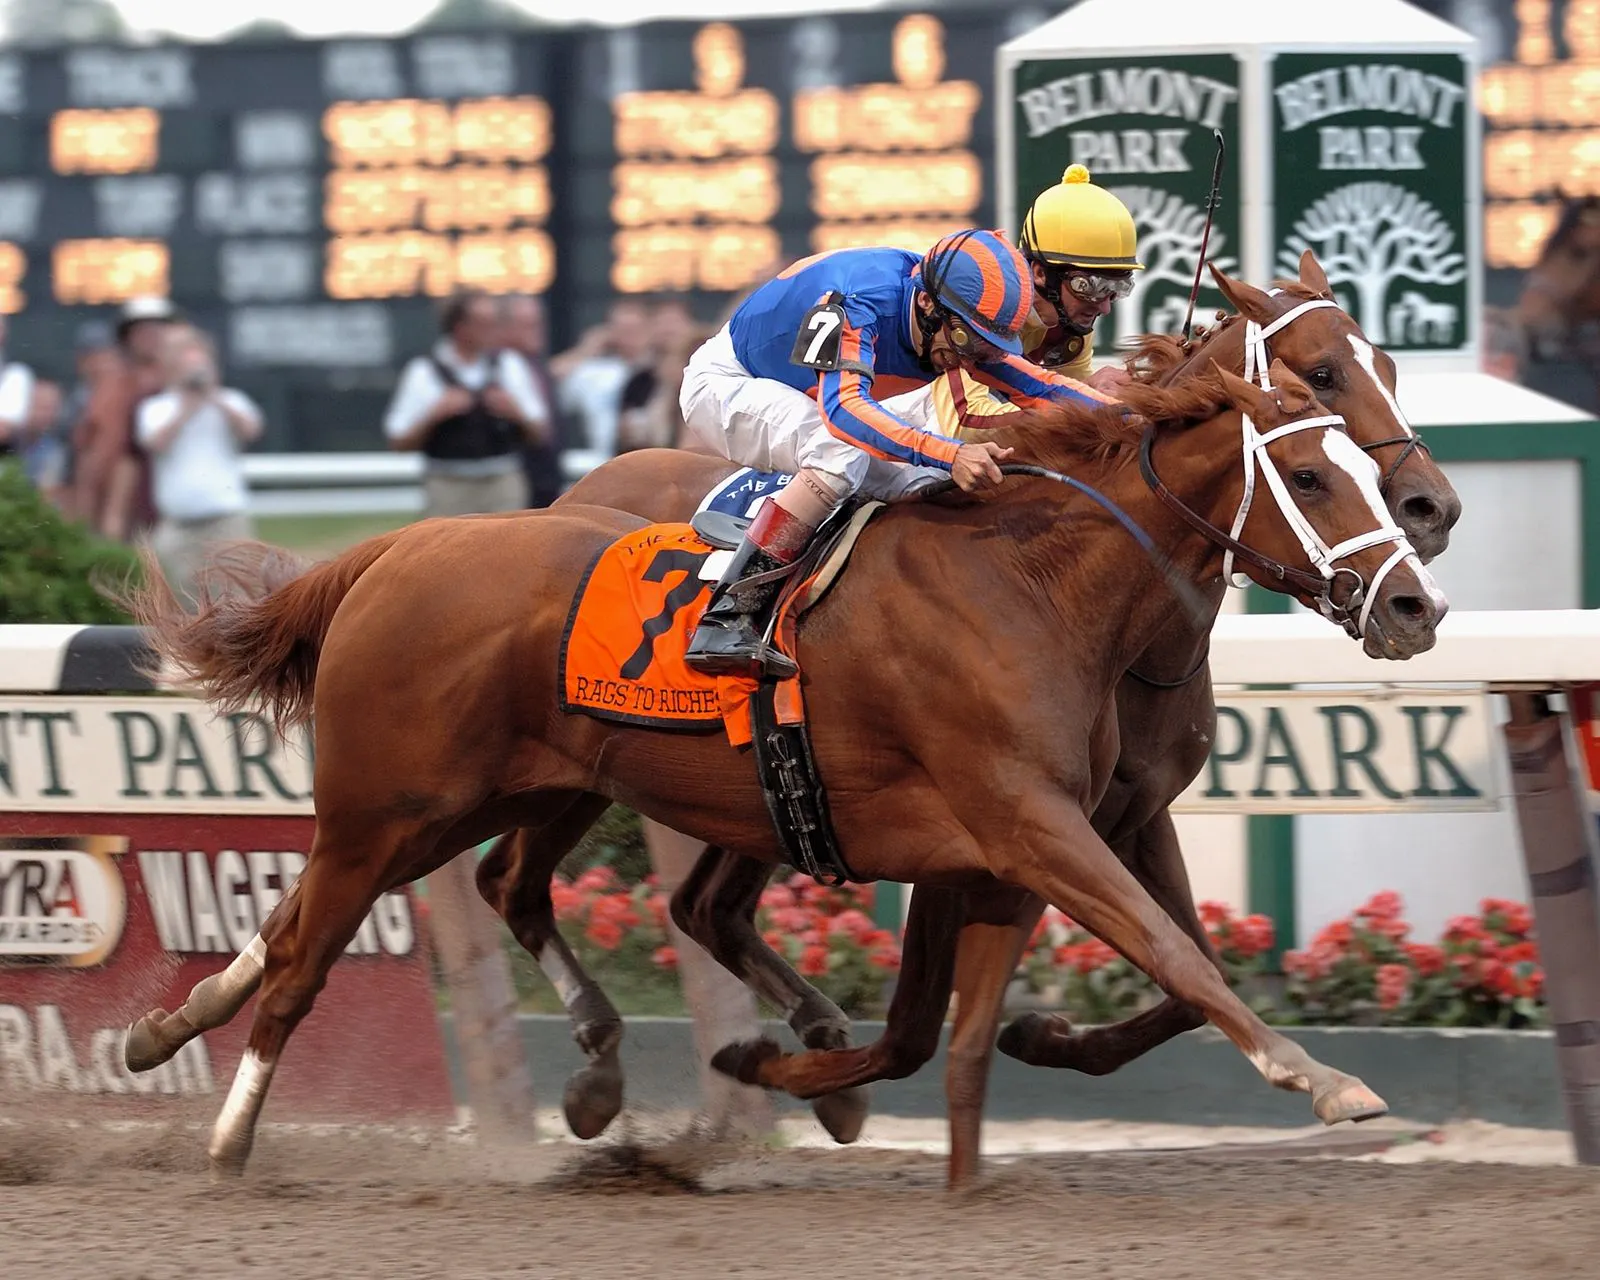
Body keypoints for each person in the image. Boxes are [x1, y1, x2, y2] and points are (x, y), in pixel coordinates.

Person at [679, 227, 1117, 679]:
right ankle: (729, 614)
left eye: (989, 347)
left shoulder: (957, 313)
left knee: (921, 484)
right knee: (839, 455)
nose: (974, 360)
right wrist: (949, 453)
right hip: (728, 383)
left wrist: (1135, 415)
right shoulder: (855, 303)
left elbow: (1038, 385)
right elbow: (843, 413)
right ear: (927, 305)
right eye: (968, 343)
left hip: (805, 391)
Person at [384, 290, 550, 519]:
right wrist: (434, 415)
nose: (494, 330)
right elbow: (398, 441)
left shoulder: (508, 366)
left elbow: (541, 433)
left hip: (501, 482)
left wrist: (515, 413)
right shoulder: (425, 372)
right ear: (460, 327)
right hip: (448, 484)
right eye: (484, 323)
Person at [135, 325, 264, 603]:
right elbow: (156, 443)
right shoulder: (156, 408)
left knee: (237, 601)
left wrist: (212, 395)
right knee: (187, 605)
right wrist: (188, 404)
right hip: (179, 526)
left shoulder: (230, 401)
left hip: (225, 521)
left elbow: (250, 431)